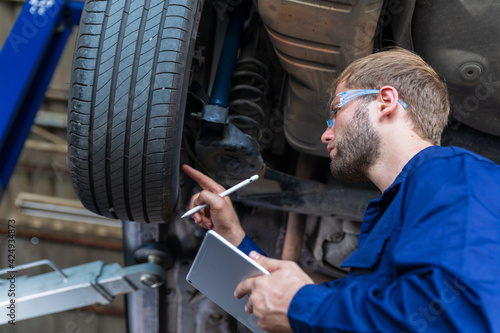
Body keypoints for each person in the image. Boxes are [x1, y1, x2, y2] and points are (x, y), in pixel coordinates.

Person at [182, 48, 500, 332]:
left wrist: (302, 307)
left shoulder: (453, 173)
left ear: (385, 102)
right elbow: (316, 308)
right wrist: (233, 235)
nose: (325, 134)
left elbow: (455, 317)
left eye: (335, 111)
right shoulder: (388, 217)